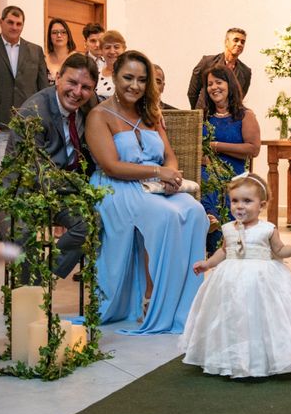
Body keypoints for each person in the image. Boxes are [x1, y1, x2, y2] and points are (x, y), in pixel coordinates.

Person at [86, 50, 208, 335]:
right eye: (128, 77)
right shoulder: (99, 116)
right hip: (116, 186)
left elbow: (169, 156)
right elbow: (111, 165)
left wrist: (171, 174)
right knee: (165, 217)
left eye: (142, 80)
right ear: (115, 76)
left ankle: (185, 304)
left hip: (153, 185)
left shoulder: (150, 113)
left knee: (195, 211)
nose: (135, 86)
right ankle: (152, 301)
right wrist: (157, 172)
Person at [179, 173, 291, 378]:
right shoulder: (227, 229)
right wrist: (207, 264)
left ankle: (265, 358)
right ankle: (228, 357)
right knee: (232, 317)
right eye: (235, 201)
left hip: (262, 281)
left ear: (262, 204)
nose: (239, 206)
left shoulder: (267, 229)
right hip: (229, 280)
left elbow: (279, 251)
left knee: (261, 317)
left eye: (247, 201)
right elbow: (224, 251)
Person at [5, 54, 98, 282]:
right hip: (25, 187)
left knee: (92, 221)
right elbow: (31, 172)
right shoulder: (33, 113)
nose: (78, 92)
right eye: (72, 82)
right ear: (57, 78)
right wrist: (78, 187)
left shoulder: (89, 104)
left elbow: (116, 110)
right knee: (22, 231)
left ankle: (45, 274)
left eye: (86, 87)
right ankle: (27, 296)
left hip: (60, 188)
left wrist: (152, 112)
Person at [0, 5, 48, 173]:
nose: (14, 27)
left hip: (30, 123)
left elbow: (43, 88)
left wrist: (44, 119)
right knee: (1, 173)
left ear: (23, 25)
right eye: (10, 22)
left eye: (18, 23)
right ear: (1, 22)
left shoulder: (35, 50)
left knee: (29, 174)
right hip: (0, 122)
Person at [199, 65, 261, 253]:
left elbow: (253, 148)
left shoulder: (244, 115)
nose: (214, 87)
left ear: (230, 85)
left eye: (219, 82)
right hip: (206, 171)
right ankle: (209, 221)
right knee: (202, 181)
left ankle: (216, 226)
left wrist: (216, 146)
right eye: (210, 84)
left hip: (234, 174)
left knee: (218, 185)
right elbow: (197, 148)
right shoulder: (204, 117)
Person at [187, 27, 251, 109]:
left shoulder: (246, 72)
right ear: (226, 42)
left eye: (243, 42)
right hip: (204, 114)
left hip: (228, 117)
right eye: (236, 40)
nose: (239, 44)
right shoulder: (207, 62)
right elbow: (192, 93)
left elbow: (239, 98)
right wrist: (198, 110)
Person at [45, 18, 77, 85]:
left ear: (69, 36)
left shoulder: (77, 59)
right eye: (54, 32)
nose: (59, 35)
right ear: (49, 37)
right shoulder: (43, 60)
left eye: (63, 32)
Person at [96, 30, 126, 101]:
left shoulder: (129, 74)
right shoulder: (95, 73)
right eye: (107, 47)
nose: (112, 51)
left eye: (116, 47)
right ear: (101, 50)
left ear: (124, 49)